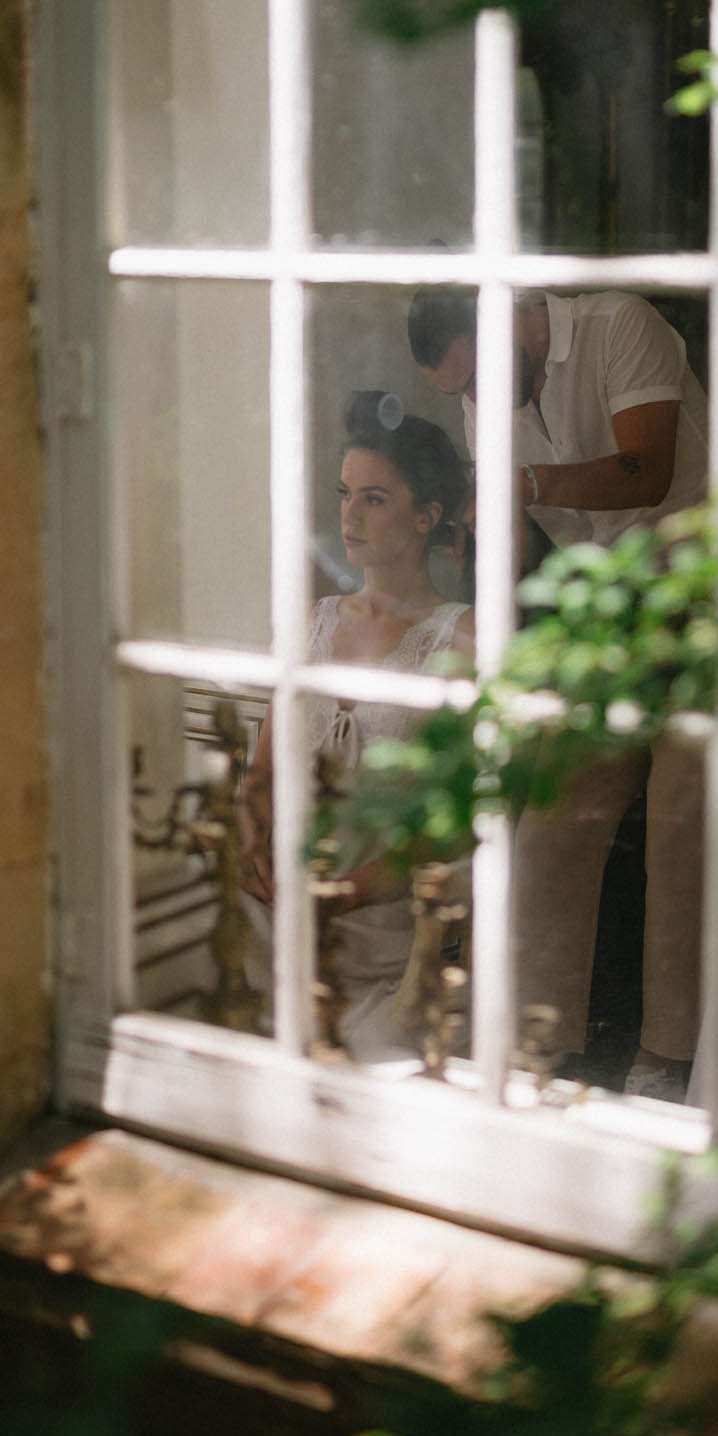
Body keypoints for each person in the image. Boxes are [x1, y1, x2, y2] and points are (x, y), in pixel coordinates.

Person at [408, 284, 709, 1102]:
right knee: (550, 810)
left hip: (710, 590)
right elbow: (511, 529)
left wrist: (526, 481)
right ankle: (532, 1043)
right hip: (608, 609)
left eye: (477, 377)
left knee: (681, 817)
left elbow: (647, 469)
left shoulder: (618, 325)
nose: (476, 397)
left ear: (508, 314)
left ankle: (667, 1058)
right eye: (462, 389)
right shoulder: (487, 394)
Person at [238, 392, 474, 1062]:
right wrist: (251, 843)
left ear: (426, 516)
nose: (349, 514)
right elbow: (262, 773)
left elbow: (454, 823)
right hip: (278, 913)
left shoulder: (460, 639)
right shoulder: (312, 620)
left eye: (374, 498)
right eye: (345, 494)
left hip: (389, 935)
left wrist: (347, 892)